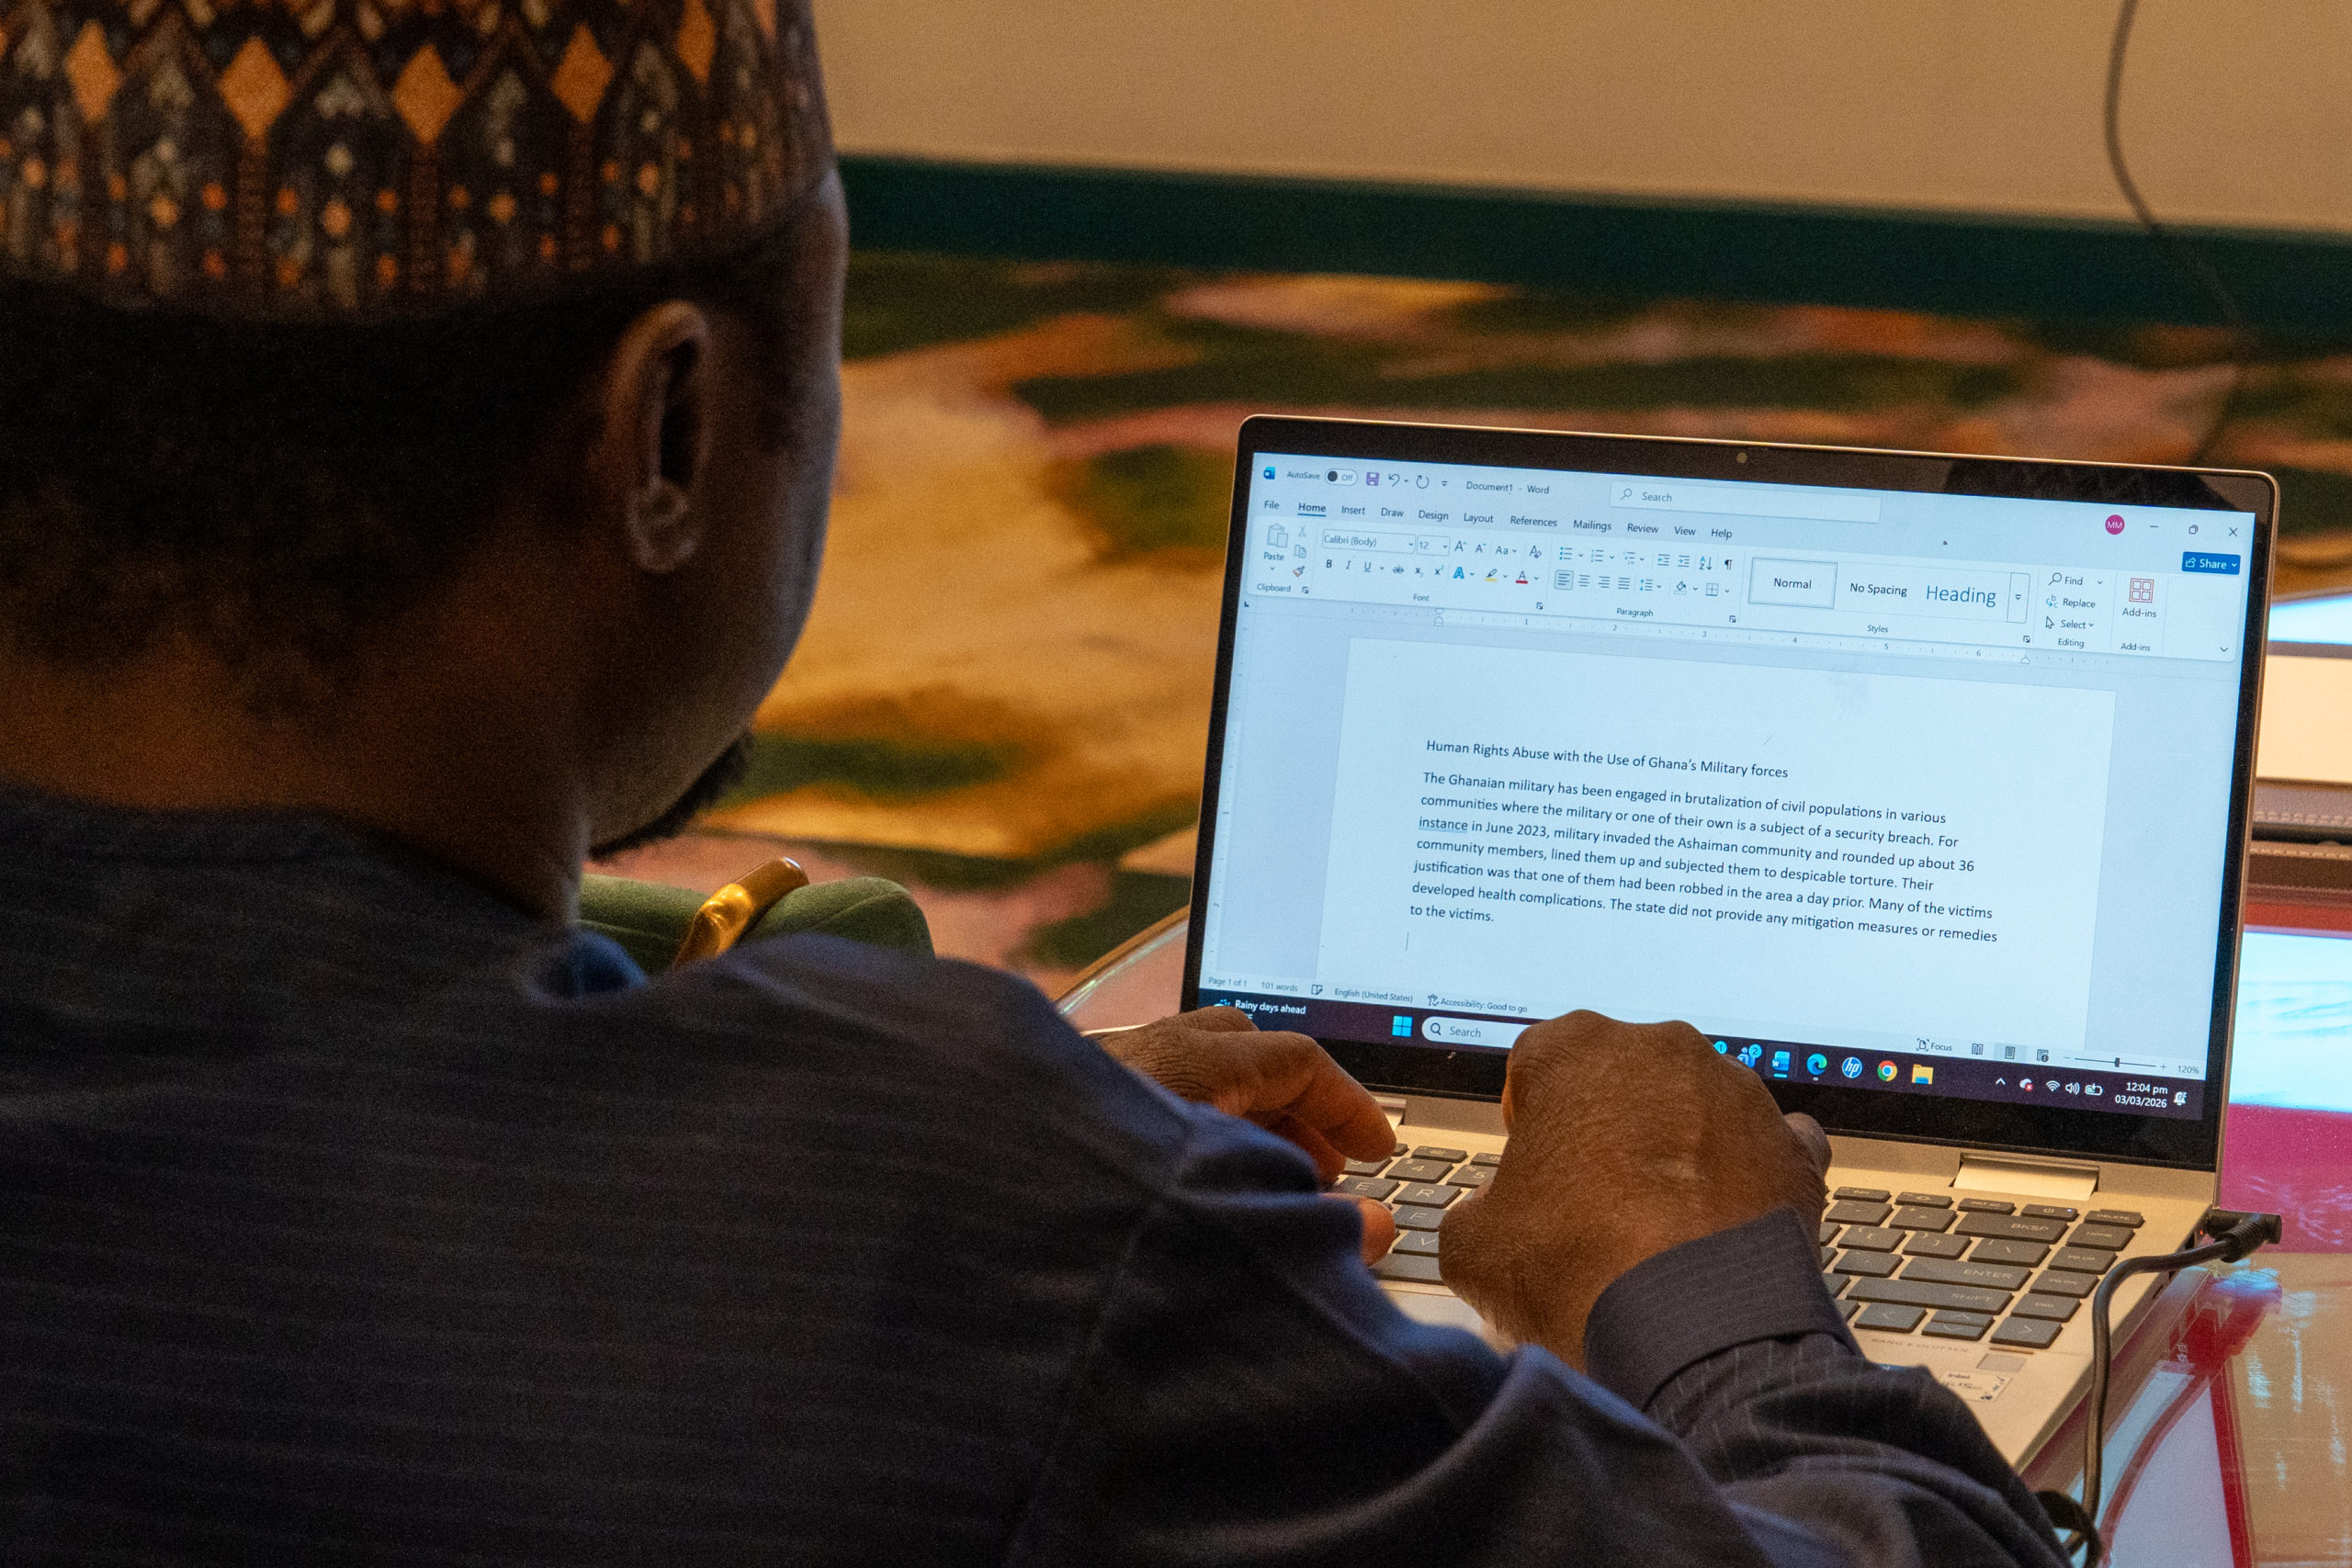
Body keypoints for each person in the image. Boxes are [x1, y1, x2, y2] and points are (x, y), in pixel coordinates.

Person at [0, 2, 2067, 1562]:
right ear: (669, 431)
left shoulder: (929, 1198)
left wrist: (973, 1164)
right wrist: (1701, 1290)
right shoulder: (950, 1226)